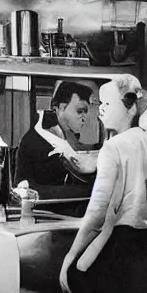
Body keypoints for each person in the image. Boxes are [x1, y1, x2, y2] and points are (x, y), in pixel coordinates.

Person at [58, 74, 147, 293]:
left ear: (130, 106)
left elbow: (97, 214)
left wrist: (69, 258)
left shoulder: (114, 146)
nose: (102, 109)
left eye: (108, 102)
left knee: (61, 291)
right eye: (101, 103)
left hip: (117, 261)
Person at [15, 81, 101, 216]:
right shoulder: (38, 140)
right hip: (45, 215)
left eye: (85, 112)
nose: (84, 118)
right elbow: (26, 187)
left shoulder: (66, 134)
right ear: (60, 108)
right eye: (79, 111)